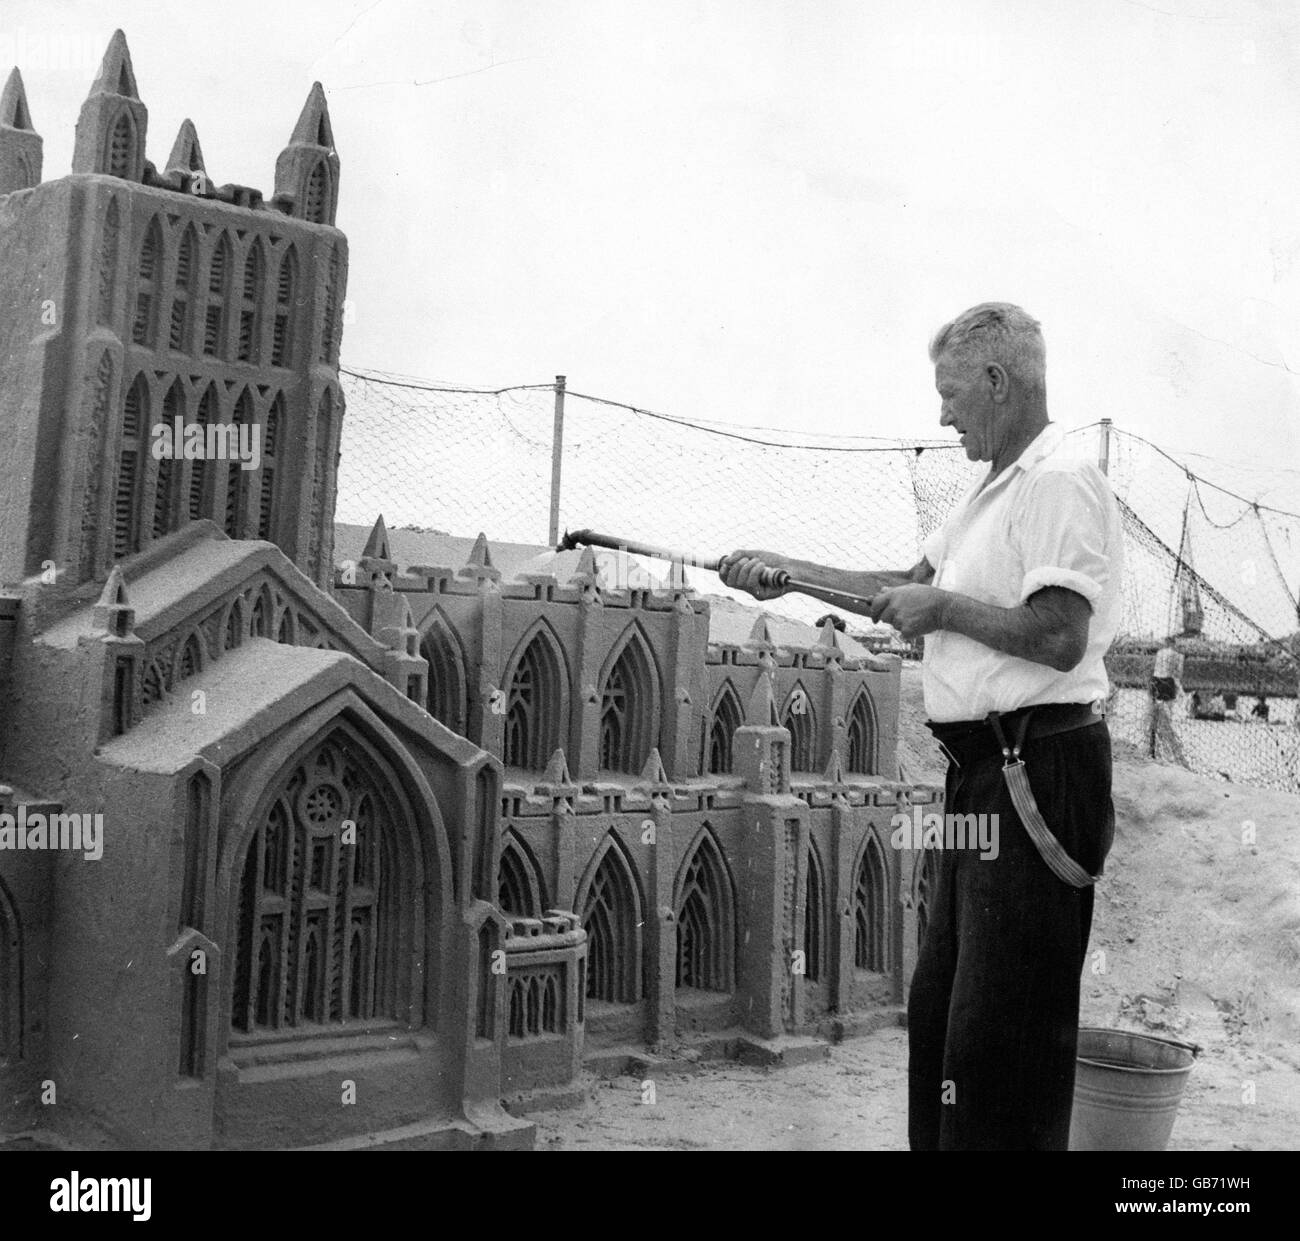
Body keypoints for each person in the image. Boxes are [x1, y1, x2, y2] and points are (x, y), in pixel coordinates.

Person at [719, 302, 1124, 1151]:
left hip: (1038, 772)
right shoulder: (988, 495)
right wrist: (788, 575)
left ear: (997, 381)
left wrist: (940, 607)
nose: (942, 416)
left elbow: (1058, 635)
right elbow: (900, 583)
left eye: (951, 395)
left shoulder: (1059, 480)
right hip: (976, 777)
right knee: (943, 1013)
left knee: (1001, 1036)